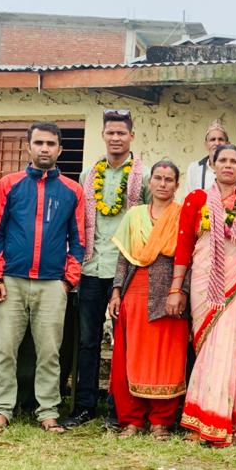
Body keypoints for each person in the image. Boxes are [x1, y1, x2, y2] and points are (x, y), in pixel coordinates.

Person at [0, 122, 85, 435]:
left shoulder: (72, 190)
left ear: (60, 150)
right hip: (11, 280)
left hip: (52, 283)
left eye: (50, 144)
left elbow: (78, 240)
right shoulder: (9, 184)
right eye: (38, 143)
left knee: (50, 352)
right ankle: (2, 410)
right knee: (4, 350)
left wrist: (68, 281)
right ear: (28, 147)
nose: (44, 149)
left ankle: (48, 412)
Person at [169, 143, 236, 446]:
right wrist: (176, 287)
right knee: (208, 349)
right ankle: (198, 419)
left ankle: (222, 422)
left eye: (233, 161)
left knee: (230, 347)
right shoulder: (196, 199)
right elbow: (184, 246)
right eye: (222, 160)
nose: (227, 165)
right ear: (212, 166)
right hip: (204, 284)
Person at [64, 109, 147, 429]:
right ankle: (85, 406)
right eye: (110, 133)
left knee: (124, 343)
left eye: (121, 133)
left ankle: (119, 409)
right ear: (102, 135)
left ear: (131, 136)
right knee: (88, 341)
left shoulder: (144, 176)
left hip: (127, 269)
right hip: (92, 267)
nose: (115, 138)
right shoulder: (88, 175)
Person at [108, 160, 189, 439]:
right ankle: (132, 420)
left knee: (167, 358)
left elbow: (190, 258)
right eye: (158, 178)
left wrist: (181, 292)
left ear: (177, 184)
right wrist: (116, 291)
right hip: (136, 292)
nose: (163, 184)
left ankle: (161, 421)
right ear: (150, 181)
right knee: (132, 357)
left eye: (169, 179)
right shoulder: (135, 215)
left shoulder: (183, 215)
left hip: (171, 295)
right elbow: (123, 258)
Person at [185, 120, 230, 193]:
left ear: (228, 144)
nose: (217, 143)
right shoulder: (194, 168)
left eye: (221, 139)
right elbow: (189, 196)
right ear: (206, 145)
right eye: (213, 139)